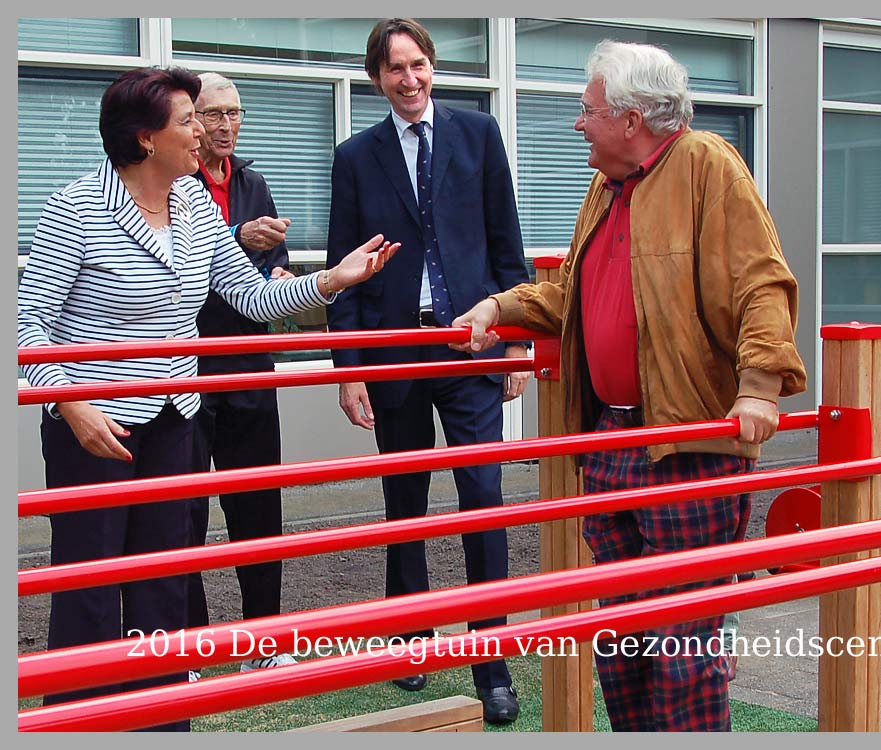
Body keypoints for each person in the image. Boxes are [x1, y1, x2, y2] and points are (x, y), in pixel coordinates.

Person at [16, 66, 397, 730]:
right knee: (91, 586)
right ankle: (81, 722)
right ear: (144, 138)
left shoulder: (193, 203)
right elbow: (29, 326)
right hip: (93, 428)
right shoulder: (76, 207)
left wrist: (332, 280)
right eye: (189, 120)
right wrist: (70, 403)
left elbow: (249, 296)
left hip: (174, 419)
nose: (205, 131)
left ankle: (164, 723)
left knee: (164, 581)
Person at [453, 40, 807, 732]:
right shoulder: (608, 186)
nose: (577, 124)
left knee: (681, 640)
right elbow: (573, 294)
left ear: (631, 119)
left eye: (587, 111)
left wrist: (761, 384)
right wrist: (501, 307)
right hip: (612, 436)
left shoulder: (707, 166)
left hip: (685, 439)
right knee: (619, 635)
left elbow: (762, 282)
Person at [324, 18, 529, 724]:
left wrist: (514, 343)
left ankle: (491, 662)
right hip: (393, 351)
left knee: (483, 498)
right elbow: (346, 276)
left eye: (418, 66)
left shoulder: (479, 135)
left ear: (432, 67)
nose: (409, 81)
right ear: (376, 77)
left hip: (471, 348)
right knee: (404, 503)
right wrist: (347, 369)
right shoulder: (355, 157)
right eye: (394, 70)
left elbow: (509, 246)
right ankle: (411, 640)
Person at [184, 72, 298, 677]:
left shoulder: (254, 182)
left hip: (250, 365)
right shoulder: (173, 186)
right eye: (213, 114)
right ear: (189, 119)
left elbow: (273, 265)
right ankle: (192, 644)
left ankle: (265, 637)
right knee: (186, 513)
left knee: (258, 508)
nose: (225, 125)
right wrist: (235, 238)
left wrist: (281, 277)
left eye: (235, 112)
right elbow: (185, 263)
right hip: (186, 369)